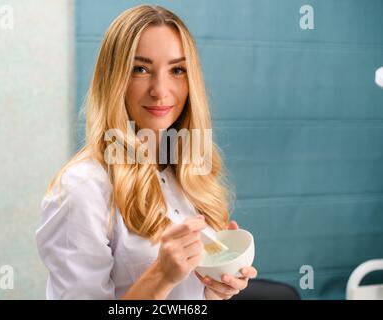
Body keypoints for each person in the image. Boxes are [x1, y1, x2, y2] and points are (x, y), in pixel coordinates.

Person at [35, 4, 257, 300]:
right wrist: (160, 276)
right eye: (140, 69)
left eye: (177, 70)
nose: (161, 90)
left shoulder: (190, 172)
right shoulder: (82, 188)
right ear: (114, 80)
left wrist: (214, 291)